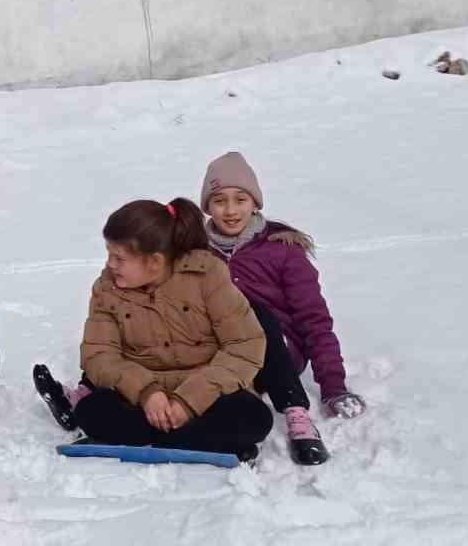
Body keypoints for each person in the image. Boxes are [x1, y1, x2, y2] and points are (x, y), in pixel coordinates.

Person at [40, 197, 273, 462]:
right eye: (109, 254)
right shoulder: (107, 289)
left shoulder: (206, 276)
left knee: (254, 417)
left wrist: (189, 402)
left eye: (119, 258)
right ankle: (203, 441)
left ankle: (151, 437)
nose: (110, 265)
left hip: (207, 396)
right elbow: (99, 355)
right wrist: (147, 393)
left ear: (154, 261)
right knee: (92, 410)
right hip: (139, 401)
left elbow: (244, 345)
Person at [201, 151, 364, 466]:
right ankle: (233, 434)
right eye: (220, 200)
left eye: (240, 199)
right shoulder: (196, 252)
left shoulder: (281, 250)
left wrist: (333, 386)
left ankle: (297, 414)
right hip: (222, 353)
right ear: (208, 207)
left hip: (277, 353)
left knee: (255, 314)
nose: (231, 210)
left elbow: (313, 319)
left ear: (255, 203)